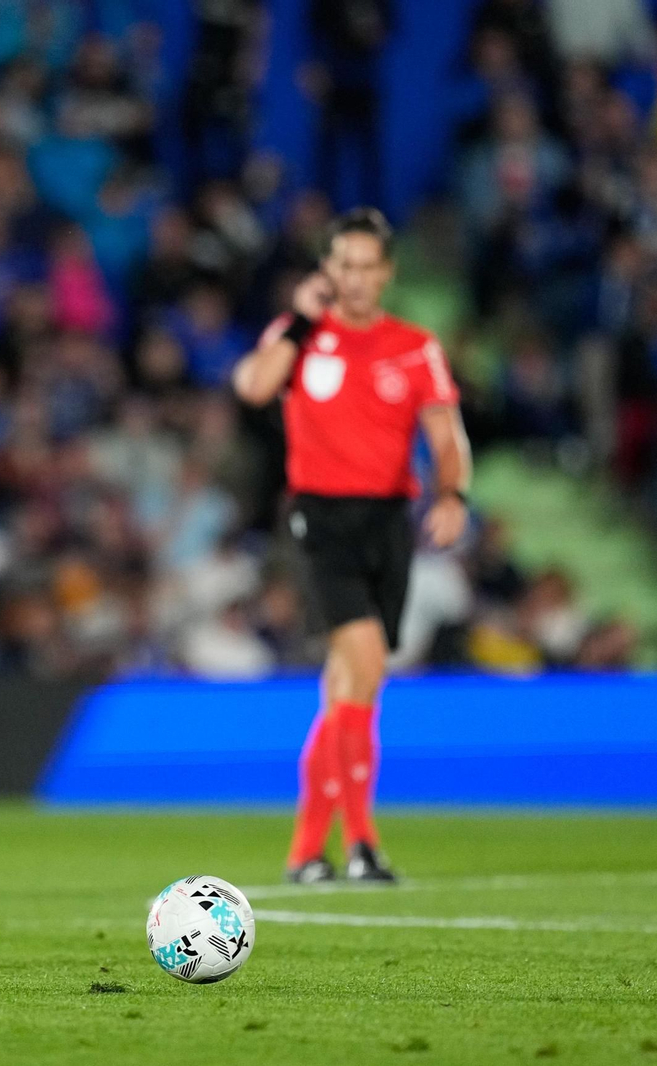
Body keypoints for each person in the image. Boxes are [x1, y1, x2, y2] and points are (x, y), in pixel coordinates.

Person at [232, 207, 471, 883]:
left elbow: (447, 436)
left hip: (388, 521)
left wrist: (453, 495)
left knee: (347, 683)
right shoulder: (301, 335)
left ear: (386, 274)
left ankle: (307, 852)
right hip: (318, 518)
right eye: (346, 266)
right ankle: (362, 842)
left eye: (369, 267)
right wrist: (302, 320)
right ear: (328, 271)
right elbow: (253, 387)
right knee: (363, 661)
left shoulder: (414, 345)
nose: (358, 279)